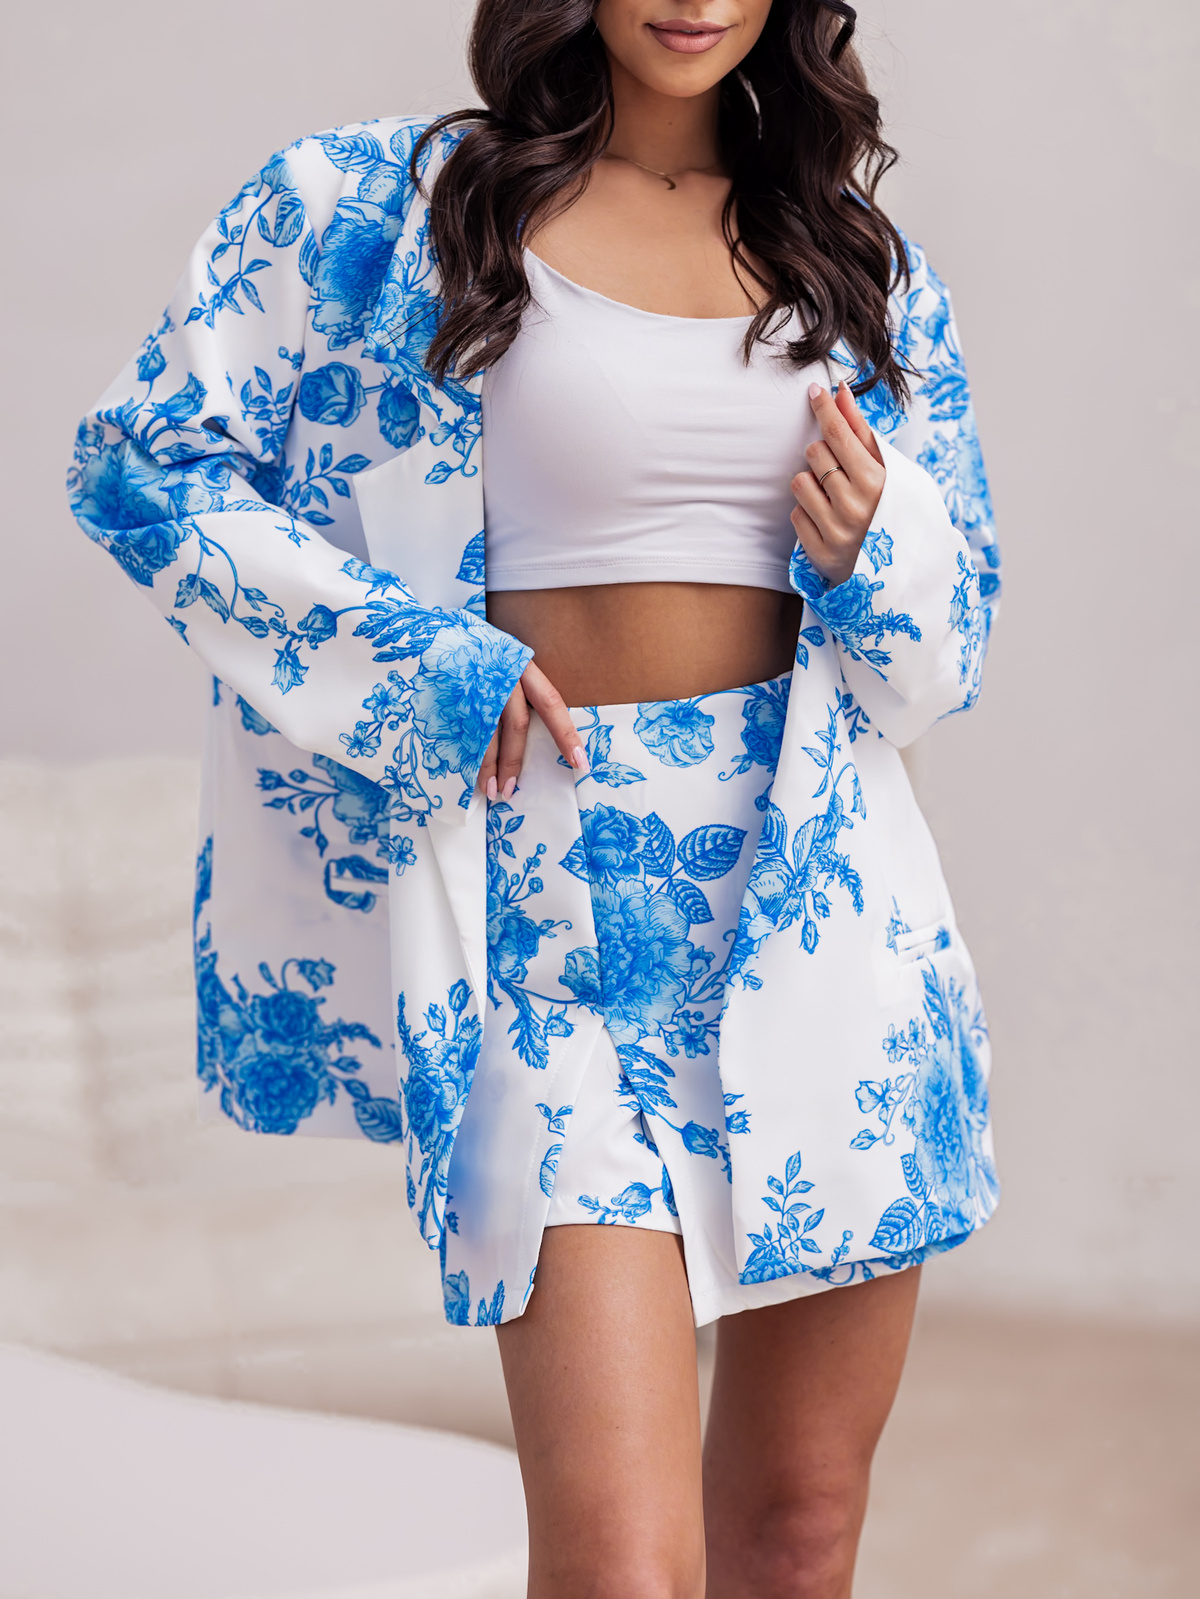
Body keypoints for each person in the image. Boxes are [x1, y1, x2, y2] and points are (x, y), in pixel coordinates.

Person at [68, 2, 1001, 1593]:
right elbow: (141, 464)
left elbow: (942, 656)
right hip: (541, 937)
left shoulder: (860, 262)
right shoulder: (380, 213)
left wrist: (881, 547)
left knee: (797, 1533)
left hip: (824, 929)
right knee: (619, 1564)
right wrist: (417, 665)